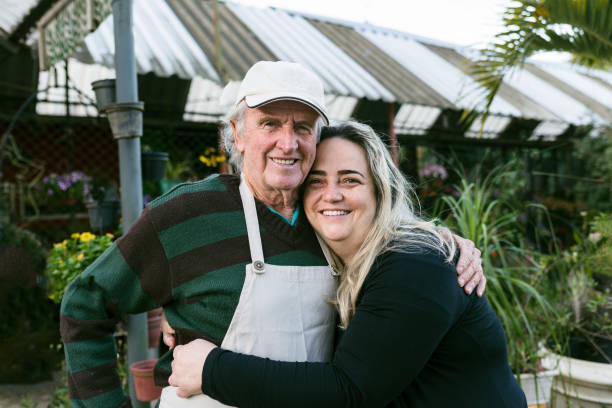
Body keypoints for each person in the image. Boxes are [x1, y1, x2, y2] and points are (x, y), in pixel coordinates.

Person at [59, 61, 485, 407]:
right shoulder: (186, 215)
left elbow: (391, 237)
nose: (288, 142)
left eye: (303, 126)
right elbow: (86, 302)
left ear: (319, 137)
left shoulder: (330, 219)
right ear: (239, 133)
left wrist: (444, 241)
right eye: (269, 124)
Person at [168, 121, 526, 407]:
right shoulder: (333, 263)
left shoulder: (415, 263)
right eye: (317, 182)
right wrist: (183, 311)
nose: (332, 195)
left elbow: (351, 390)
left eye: (350, 180)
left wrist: (211, 370)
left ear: (380, 191)